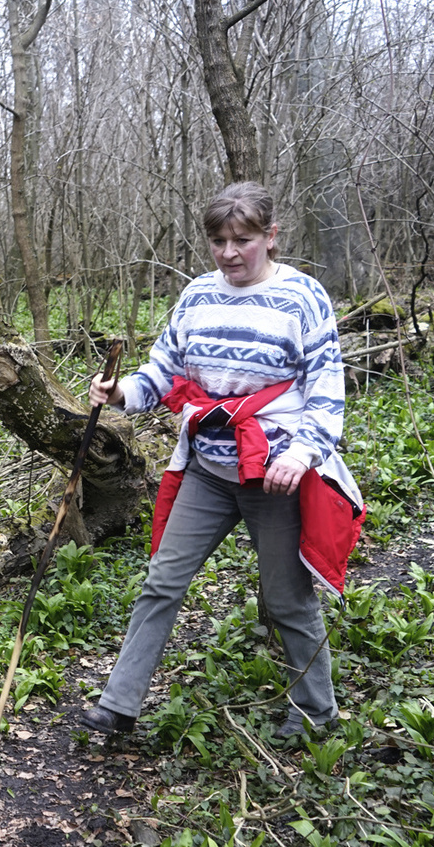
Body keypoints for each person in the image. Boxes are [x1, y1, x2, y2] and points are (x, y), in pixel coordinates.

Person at [82, 181, 364, 740]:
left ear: (270, 237)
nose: (230, 252)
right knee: (162, 582)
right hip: (208, 470)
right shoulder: (197, 297)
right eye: (218, 240)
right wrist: (121, 393)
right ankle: (118, 705)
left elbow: (327, 391)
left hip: (275, 477)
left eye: (243, 239)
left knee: (287, 599)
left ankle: (315, 713)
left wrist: (303, 455)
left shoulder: (303, 297)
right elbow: (163, 371)